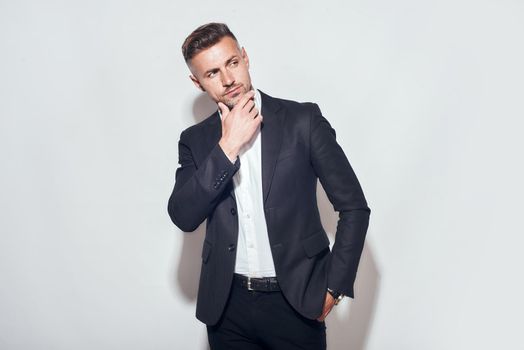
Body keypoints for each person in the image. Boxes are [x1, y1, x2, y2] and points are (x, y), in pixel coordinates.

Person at [168, 22, 370, 350]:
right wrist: (227, 147)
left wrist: (334, 287)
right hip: (227, 307)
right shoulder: (195, 141)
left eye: (232, 63)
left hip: (296, 301)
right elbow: (183, 216)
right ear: (197, 82)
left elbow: (354, 208)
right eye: (212, 73)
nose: (228, 79)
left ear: (245, 57)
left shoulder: (302, 121)